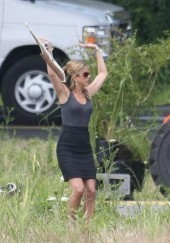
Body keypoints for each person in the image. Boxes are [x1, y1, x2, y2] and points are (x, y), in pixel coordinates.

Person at [40, 39, 108, 222]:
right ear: (75, 77)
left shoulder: (88, 92)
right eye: (85, 74)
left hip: (84, 148)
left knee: (92, 190)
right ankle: (71, 222)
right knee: (78, 189)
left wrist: (97, 50)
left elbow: (103, 73)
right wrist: (48, 53)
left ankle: (86, 229)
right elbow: (53, 74)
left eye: (88, 74)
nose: (89, 77)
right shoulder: (65, 94)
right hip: (67, 147)